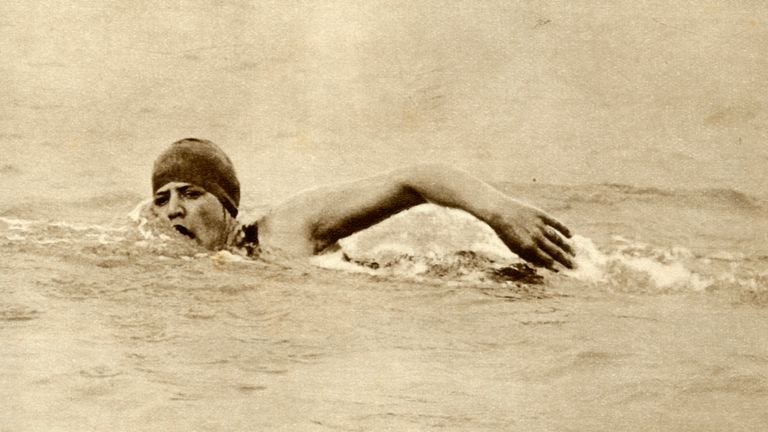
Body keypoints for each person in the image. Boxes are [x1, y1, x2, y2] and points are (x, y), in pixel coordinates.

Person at [149, 138, 575, 271]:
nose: (174, 210)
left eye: (191, 193)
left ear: (227, 204)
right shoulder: (170, 261)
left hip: (461, 283)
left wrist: (500, 211)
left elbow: (414, 179)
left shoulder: (286, 228)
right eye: (162, 199)